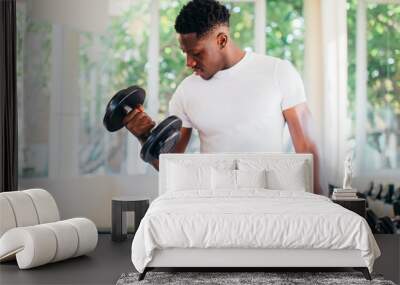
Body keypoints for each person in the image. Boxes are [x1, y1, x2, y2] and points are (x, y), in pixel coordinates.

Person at [123, 0, 322, 194]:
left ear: (222, 40)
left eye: (196, 53)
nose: (189, 62)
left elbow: (307, 149)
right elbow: (171, 165)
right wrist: (144, 137)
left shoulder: (278, 72)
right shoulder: (186, 91)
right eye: (185, 53)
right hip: (214, 199)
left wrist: (320, 204)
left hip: (269, 195)